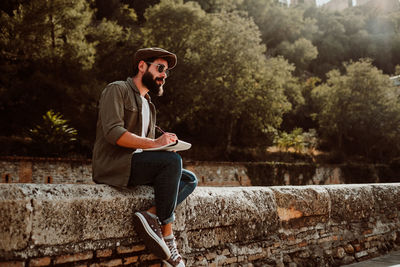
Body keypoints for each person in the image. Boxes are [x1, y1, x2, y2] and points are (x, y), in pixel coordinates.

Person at [92, 47, 198, 267]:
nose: (164, 75)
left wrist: (165, 147)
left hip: (137, 164)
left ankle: (151, 214)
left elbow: (147, 149)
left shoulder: (149, 104)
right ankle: (168, 235)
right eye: (160, 68)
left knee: (188, 179)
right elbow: (113, 133)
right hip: (115, 165)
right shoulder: (117, 89)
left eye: (166, 71)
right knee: (172, 163)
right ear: (142, 66)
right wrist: (155, 144)